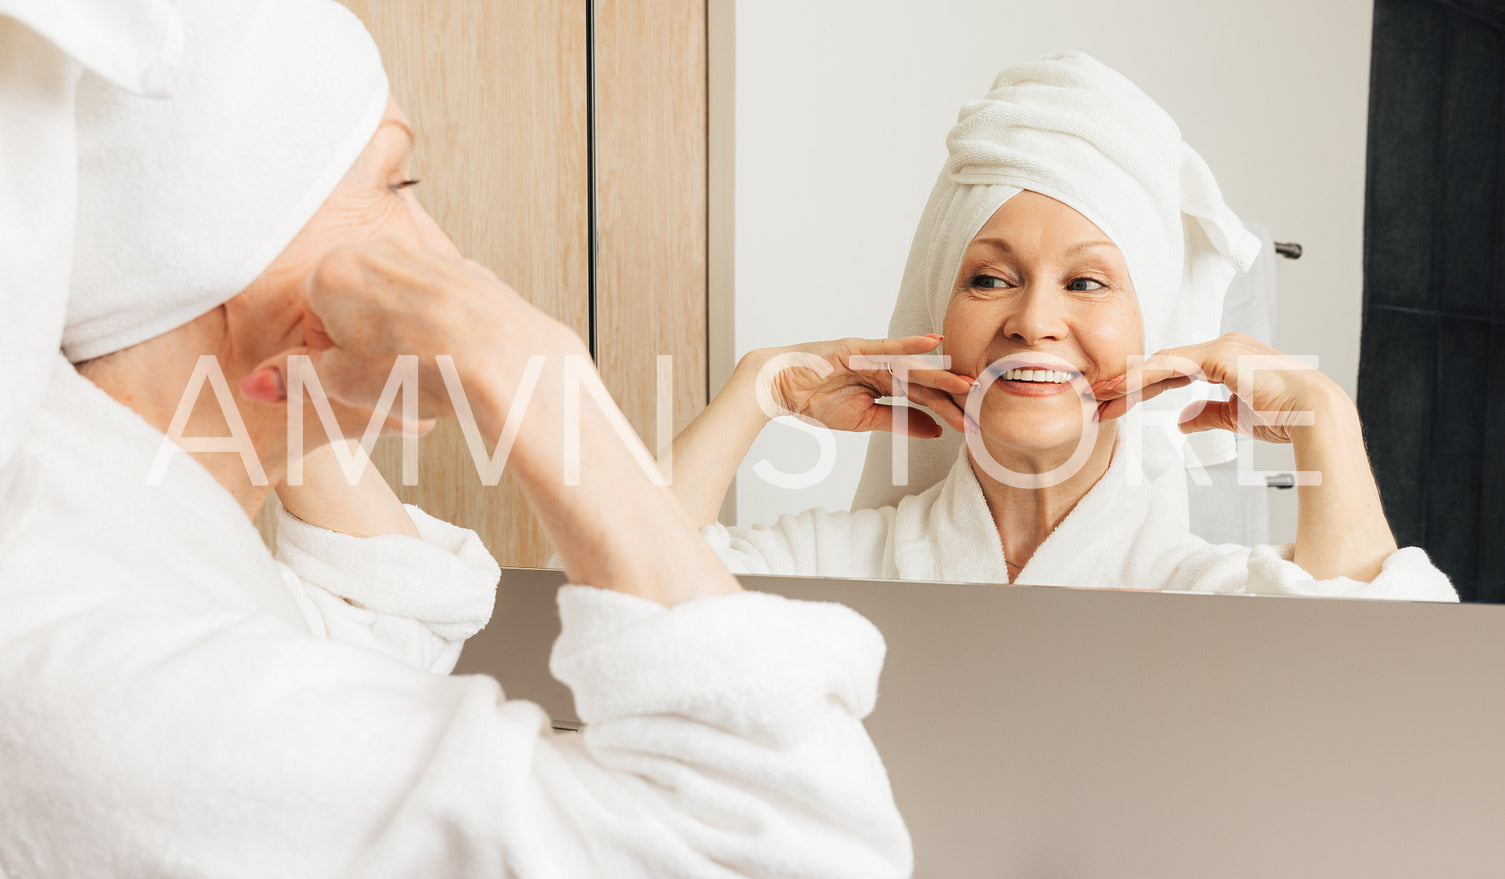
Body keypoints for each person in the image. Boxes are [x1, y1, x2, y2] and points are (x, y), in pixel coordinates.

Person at [0, 1, 912, 876]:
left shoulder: (107, 558)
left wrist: (271, 379)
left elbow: (384, 624)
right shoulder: (121, 678)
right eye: (398, 186)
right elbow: (787, 844)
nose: (444, 254)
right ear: (234, 244)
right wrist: (528, 366)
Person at [670, 52, 1456, 602]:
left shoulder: (1207, 591)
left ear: (1150, 329)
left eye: (1086, 282)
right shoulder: (837, 566)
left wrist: (1323, 412)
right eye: (989, 278)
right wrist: (757, 389)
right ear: (937, 317)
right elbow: (616, 604)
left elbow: (1376, 694)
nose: (1034, 321)